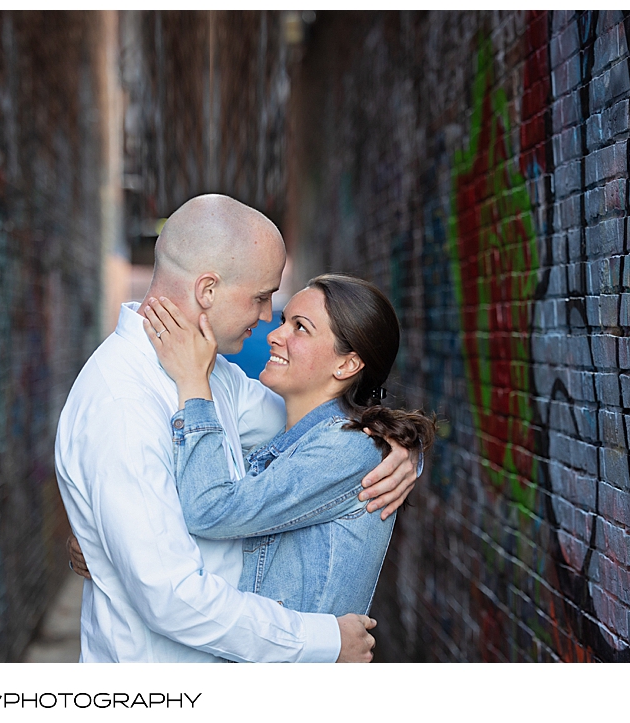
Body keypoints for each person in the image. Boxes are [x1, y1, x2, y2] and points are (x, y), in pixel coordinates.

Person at [54, 194, 418, 662]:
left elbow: (311, 428)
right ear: (208, 291)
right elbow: (172, 597)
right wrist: (323, 641)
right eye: (263, 297)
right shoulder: (121, 403)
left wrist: (394, 448)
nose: (267, 319)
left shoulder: (213, 374)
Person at [141, 273, 435, 616]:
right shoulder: (295, 437)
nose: (275, 335)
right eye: (284, 321)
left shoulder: (345, 449)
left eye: (300, 328)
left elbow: (210, 509)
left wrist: (192, 382)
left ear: (347, 364)